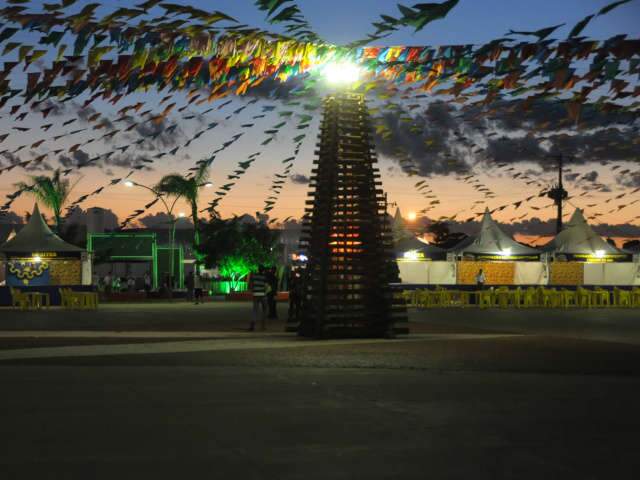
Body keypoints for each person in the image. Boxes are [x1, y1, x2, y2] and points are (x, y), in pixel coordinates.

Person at [248, 267, 267, 331]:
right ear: (263, 271)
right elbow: (266, 286)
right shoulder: (264, 277)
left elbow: (251, 284)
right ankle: (263, 325)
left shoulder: (254, 276)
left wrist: (252, 290)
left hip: (256, 294)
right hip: (262, 294)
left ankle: (252, 324)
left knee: (255, 310)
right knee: (264, 309)